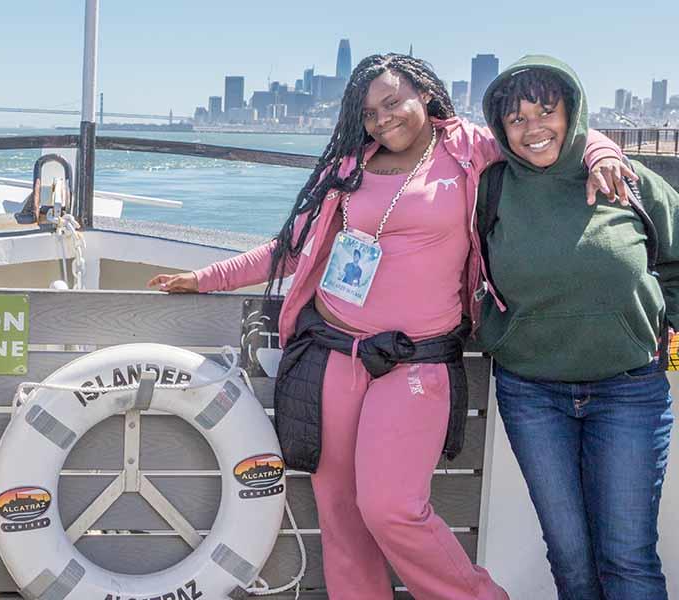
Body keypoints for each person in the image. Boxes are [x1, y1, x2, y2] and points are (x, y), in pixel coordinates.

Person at [148, 53, 633, 599]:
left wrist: (600, 154)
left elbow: (545, 140)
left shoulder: (466, 146)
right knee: (340, 516)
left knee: (391, 508)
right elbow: (290, 249)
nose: (383, 120)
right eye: (370, 112)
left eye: (392, 102)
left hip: (418, 362)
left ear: (424, 93)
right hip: (332, 353)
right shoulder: (349, 167)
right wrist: (206, 277)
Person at [477, 56, 677, 599]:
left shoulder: (630, 180)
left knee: (628, 558)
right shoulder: (489, 188)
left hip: (630, 392)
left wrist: (669, 340)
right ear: (500, 128)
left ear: (574, 111)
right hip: (531, 392)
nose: (533, 128)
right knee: (569, 559)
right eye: (516, 119)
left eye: (546, 110)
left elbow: (676, 261)